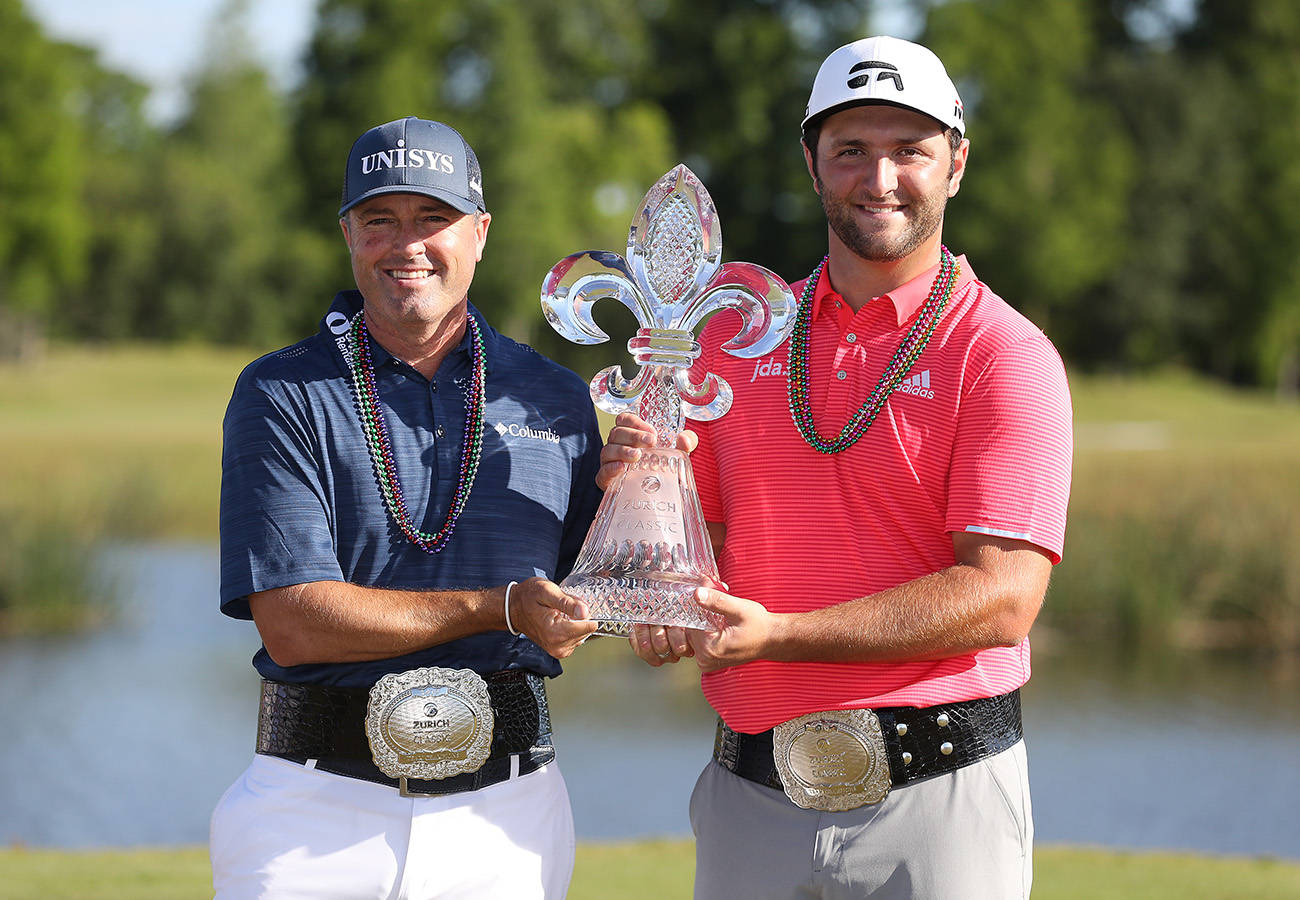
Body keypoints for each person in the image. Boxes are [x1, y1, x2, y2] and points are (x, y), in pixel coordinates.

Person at [600, 36, 1072, 899]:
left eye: (910, 152)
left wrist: (778, 635)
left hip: (937, 797)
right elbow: (691, 554)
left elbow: (1003, 597)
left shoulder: (1002, 352)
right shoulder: (736, 341)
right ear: (810, 163)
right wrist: (641, 531)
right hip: (750, 795)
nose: (879, 178)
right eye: (851, 150)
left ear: (956, 164)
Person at [211, 116, 602, 900]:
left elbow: (598, 593)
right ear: (348, 233)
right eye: (379, 219)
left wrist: (656, 496)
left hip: (511, 814)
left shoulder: (555, 396)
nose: (407, 245)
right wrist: (500, 608)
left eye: (434, 219)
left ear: (481, 233)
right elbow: (292, 623)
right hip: (313, 810)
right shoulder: (282, 391)